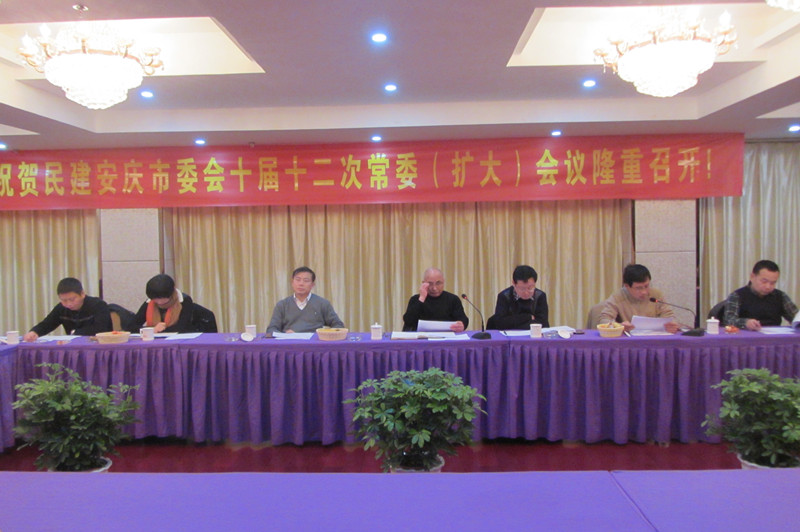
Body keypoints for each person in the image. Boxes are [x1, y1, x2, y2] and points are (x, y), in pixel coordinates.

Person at [23, 277, 112, 342]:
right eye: (64, 300)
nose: (68, 304)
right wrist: (35, 332)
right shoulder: (61, 308)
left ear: (82, 294)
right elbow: (47, 324)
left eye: (72, 299)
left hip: (99, 346)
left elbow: (100, 328)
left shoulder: (98, 305)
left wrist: (74, 332)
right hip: (73, 347)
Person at [599, 264, 679, 333]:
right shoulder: (617, 297)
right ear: (627, 286)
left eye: (646, 286)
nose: (644, 292)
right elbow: (604, 320)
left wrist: (672, 324)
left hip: (653, 338)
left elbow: (669, 316)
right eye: (638, 288)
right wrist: (619, 326)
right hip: (629, 340)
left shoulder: (656, 295)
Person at [724, 260, 798, 331]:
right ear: (752, 277)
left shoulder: (780, 296)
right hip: (747, 337)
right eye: (764, 281)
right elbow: (729, 320)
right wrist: (745, 323)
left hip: (774, 337)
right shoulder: (737, 296)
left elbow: (796, 318)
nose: (768, 286)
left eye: (772, 283)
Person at [266, 266, 344, 333]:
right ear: (292, 282)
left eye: (306, 280)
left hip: (314, 344)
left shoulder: (322, 303)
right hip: (289, 343)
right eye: (298, 280)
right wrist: (284, 335)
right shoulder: (282, 305)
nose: (301, 284)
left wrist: (323, 334)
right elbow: (271, 329)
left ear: (312, 285)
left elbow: (339, 326)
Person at [132, 274, 205, 333]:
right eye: (155, 299)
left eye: (162, 298)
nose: (159, 302)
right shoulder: (149, 302)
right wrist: (152, 330)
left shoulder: (184, 301)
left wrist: (159, 330)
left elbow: (183, 327)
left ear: (171, 294)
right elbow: (132, 326)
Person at [402, 268, 469, 332]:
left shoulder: (453, 299)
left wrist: (462, 325)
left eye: (438, 283)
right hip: (421, 337)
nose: (434, 288)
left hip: (446, 337)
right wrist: (422, 298)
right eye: (430, 284)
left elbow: (463, 319)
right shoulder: (416, 299)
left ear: (443, 282)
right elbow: (408, 321)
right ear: (423, 283)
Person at [487, 265, 550, 330]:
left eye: (530, 288)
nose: (526, 293)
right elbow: (500, 323)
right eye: (522, 289)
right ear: (514, 284)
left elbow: (543, 323)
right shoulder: (504, 296)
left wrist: (513, 322)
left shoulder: (540, 296)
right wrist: (528, 317)